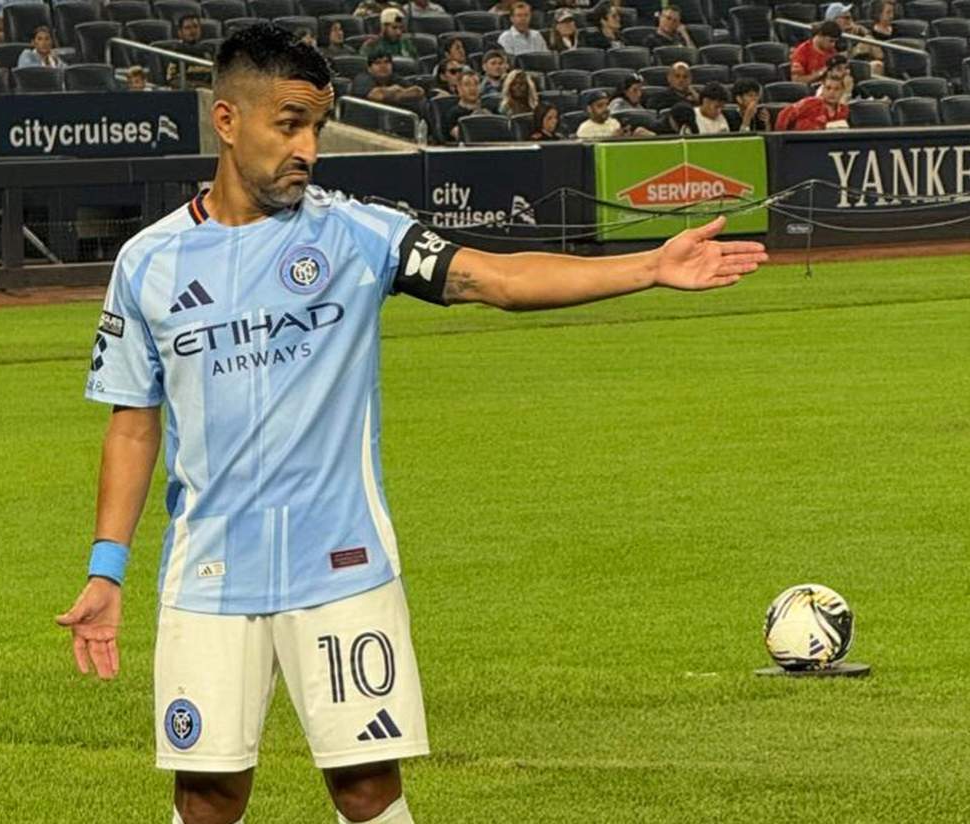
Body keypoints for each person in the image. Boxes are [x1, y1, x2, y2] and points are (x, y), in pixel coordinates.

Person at [57, 21, 766, 824]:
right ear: (227, 120)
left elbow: (494, 279)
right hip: (208, 577)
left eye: (317, 127)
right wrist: (106, 570)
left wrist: (648, 266)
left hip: (343, 567)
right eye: (289, 124)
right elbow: (133, 424)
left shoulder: (356, 235)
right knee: (207, 797)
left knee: (367, 789)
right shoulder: (148, 262)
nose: (308, 149)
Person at [351, 46, 426, 104]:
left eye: (386, 62)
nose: (383, 66)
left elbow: (418, 91)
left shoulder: (394, 77)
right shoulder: (362, 78)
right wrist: (395, 90)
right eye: (377, 63)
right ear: (369, 68)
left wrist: (396, 94)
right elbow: (376, 95)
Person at [775, 73, 849, 129]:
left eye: (837, 89)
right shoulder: (809, 103)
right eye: (828, 88)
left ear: (842, 91)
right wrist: (781, 140)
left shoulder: (844, 111)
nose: (832, 93)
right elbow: (784, 114)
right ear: (823, 89)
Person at [166, 14, 214, 88]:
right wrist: (197, 86)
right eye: (187, 28)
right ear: (180, 32)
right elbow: (172, 80)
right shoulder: (176, 52)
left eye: (195, 26)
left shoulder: (208, 50)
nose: (193, 31)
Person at [790, 20, 840, 85]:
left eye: (835, 42)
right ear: (820, 35)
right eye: (831, 41)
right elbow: (797, 81)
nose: (833, 45)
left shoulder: (832, 51)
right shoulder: (802, 52)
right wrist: (821, 72)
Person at [442, 66, 483, 140]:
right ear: (459, 88)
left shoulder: (488, 110)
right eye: (467, 84)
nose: (472, 88)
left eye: (476, 84)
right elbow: (462, 137)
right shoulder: (453, 114)